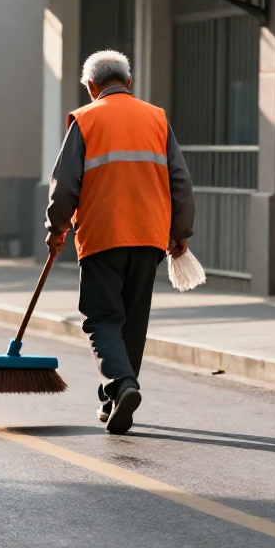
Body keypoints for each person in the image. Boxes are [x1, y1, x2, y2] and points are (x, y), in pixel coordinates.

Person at [44, 50, 195, 435]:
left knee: (101, 319)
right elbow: (180, 179)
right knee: (132, 319)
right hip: (148, 237)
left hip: (103, 235)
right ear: (128, 82)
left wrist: (56, 227)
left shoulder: (87, 119)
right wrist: (180, 232)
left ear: (92, 86)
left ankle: (122, 385)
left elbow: (65, 185)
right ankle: (114, 398)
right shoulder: (156, 118)